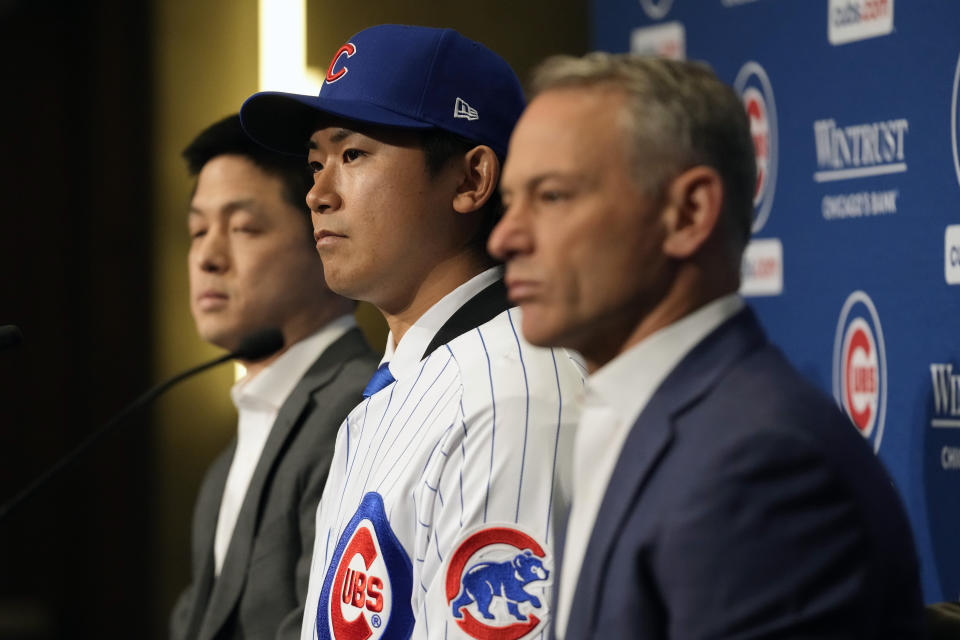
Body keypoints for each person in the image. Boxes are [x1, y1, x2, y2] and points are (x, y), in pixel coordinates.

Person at [487, 54, 925, 638]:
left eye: (552, 197)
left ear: (688, 213)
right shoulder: (634, 416)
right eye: (511, 200)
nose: (505, 236)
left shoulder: (763, 464)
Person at [239, 24, 584, 640]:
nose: (317, 193)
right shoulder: (399, 384)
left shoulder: (510, 397)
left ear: (471, 180)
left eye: (353, 156)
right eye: (315, 164)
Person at [170, 114, 378, 640]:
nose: (208, 257)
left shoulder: (357, 410)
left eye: (243, 228)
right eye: (197, 231)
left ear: (322, 234)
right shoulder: (224, 463)